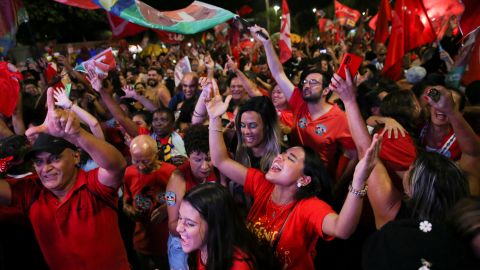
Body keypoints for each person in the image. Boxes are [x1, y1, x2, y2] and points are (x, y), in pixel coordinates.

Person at [203, 81, 380, 269]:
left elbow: (342, 229)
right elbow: (220, 160)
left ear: (304, 179)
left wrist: (359, 182)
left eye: (290, 157)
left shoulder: (308, 208)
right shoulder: (261, 184)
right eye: (282, 155)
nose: (279, 157)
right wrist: (214, 119)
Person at [329, 68, 478, 270]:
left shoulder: (394, 217)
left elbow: (366, 152)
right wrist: (450, 111)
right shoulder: (465, 218)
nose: (406, 169)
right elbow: (473, 154)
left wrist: (349, 101)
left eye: (411, 170)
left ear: (410, 190)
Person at [0, 87, 130, 270]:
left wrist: (77, 134)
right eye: (38, 162)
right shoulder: (30, 191)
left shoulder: (93, 184)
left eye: (55, 158)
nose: (46, 168)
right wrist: (15, 151)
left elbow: (116, 165)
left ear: (76, 157)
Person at [249, 25, 357, 178]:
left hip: (320, 180)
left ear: (326, 90)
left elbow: (353, 154)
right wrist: (267, 43)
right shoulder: (299, 102)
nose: (307, 85)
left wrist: (339, 186)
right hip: (291, 174)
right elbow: (278, 74)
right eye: (305, 82)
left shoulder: (340, 118)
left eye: (313, 83)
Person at [177, 182, 280, 269]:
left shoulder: (238, 265)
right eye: (180, 218)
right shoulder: (199, 248)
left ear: (215, 225)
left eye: (190, 224)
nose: (178, 228)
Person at [166, 124, 219, 270]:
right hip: (182, 243)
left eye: (209, 158)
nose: (205, 166)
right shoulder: (176, 179)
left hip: (211, 242)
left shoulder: (220, 168)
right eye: (198, 160)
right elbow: (172, 226)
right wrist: (205, 232)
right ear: (188, 156)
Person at [123, 135, 177, 270]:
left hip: (167, 240)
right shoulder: (129, 173)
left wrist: (167, 208)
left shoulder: (170, 172)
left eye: (146, 161)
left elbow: (179, 196)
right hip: (142, 240)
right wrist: (130, 210)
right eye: (136, 161)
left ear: (156, 155)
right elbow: (126, 201)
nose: (140, 166)